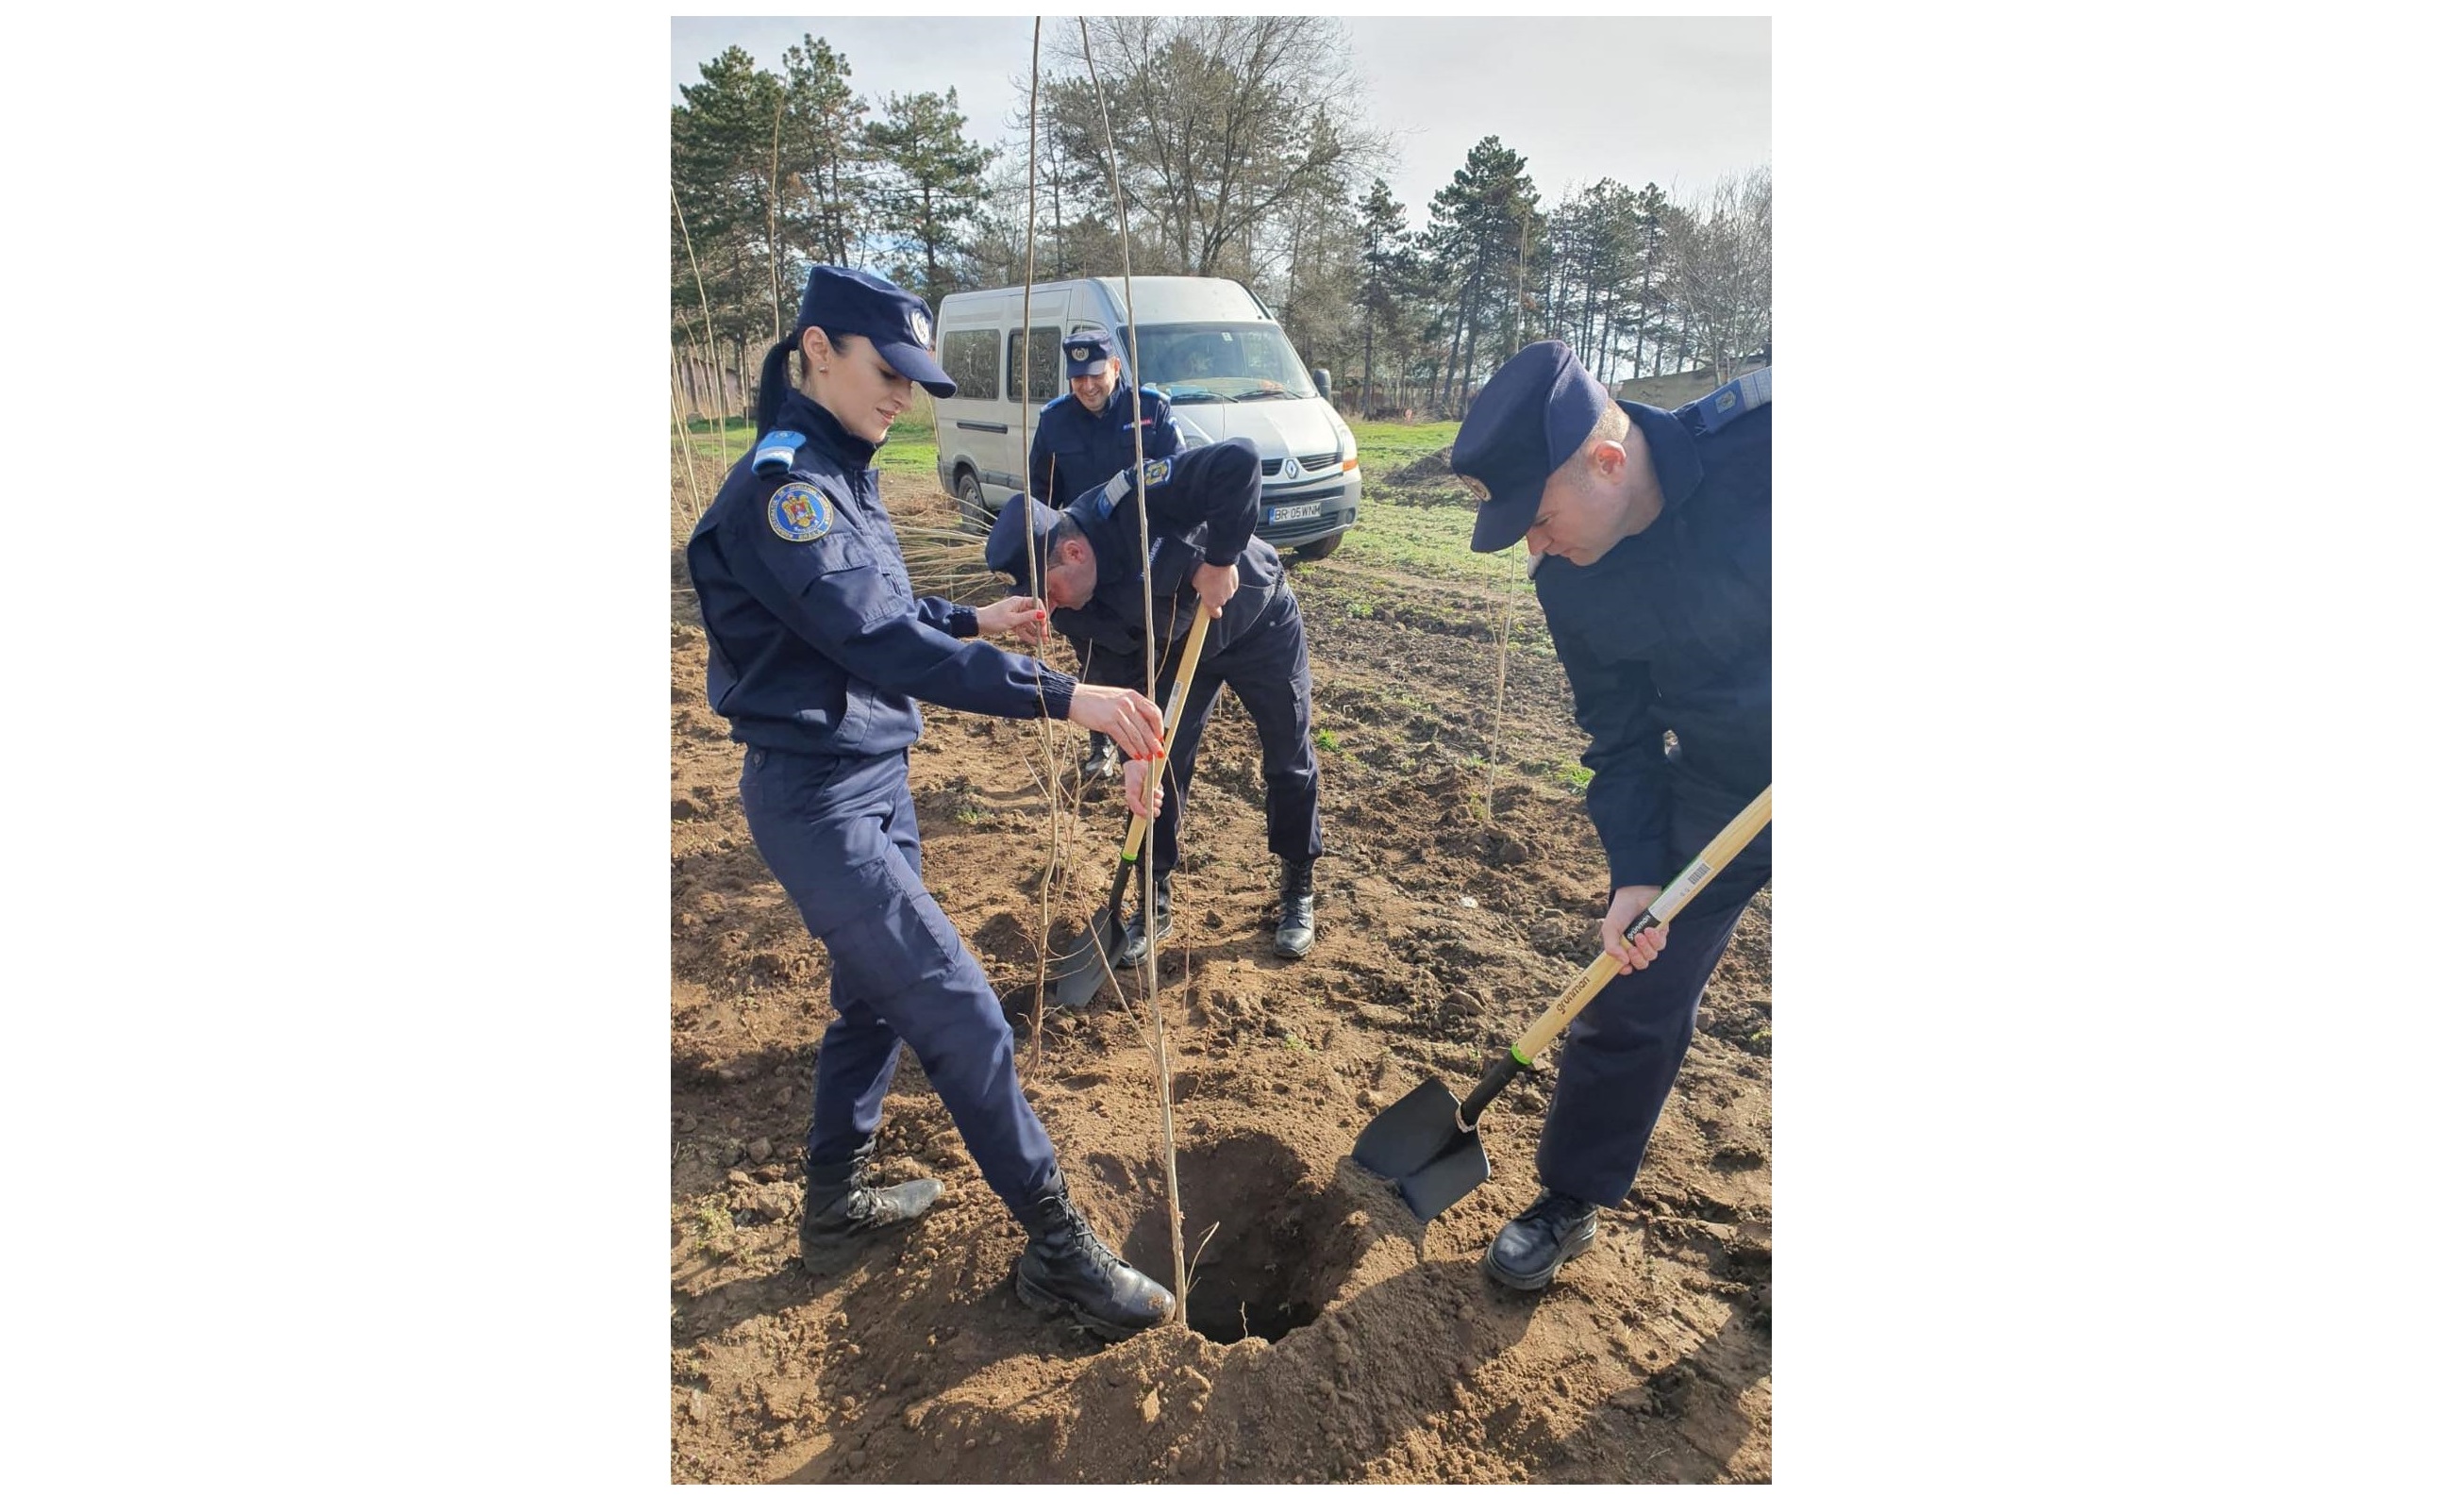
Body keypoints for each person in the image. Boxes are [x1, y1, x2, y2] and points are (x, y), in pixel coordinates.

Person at [684, 265, 1177, 1340]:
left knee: (872, 1001)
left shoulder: (842, 466)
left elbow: (884, 601)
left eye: (914, 379)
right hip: (816, 799)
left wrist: (973, 617)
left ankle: (834, 1206)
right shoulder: (784, 486)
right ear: (818, 349)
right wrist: (1070, 697)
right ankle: (1059, 1250)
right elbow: (873, 639)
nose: (904, 397)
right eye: (889, 372)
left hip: (872, 771)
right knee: (962, 1012)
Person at [1447, 341, 1771, 1291]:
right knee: (1631, 981)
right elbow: (1618, 734)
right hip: (1720, 783)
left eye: (1540, 519)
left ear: (1606, 460)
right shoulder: (1571, 576)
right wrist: (1635, 871)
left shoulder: (1771, 447)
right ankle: (1571, 1196)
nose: (1536, 547)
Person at [985, 439, 1324, 962]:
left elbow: (1238, 463)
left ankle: (1297, 885)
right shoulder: (1070, 607)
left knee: (1288, 756)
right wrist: (1131, 757)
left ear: (1073, 553)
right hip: (1177, 654)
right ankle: (1153, 900)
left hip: (1258, 624)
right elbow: (1112, 679)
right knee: (1155, 769)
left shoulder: (1131, 501)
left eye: (1049, 592)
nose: (1050, 609)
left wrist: (1219, 561)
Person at [1026, 330, 1184, 786]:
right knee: (1095, 657)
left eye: (1095, 374)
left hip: (1146, 560)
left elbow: (1180, 477)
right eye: (1078, 378)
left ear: (1116, 367)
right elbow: (1039, 498)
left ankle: (1153, 743)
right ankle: (1102, 745)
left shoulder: (1149, 411)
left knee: (1151, 653)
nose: (1088, 386)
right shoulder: (1055, 422)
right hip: (1086, 566)